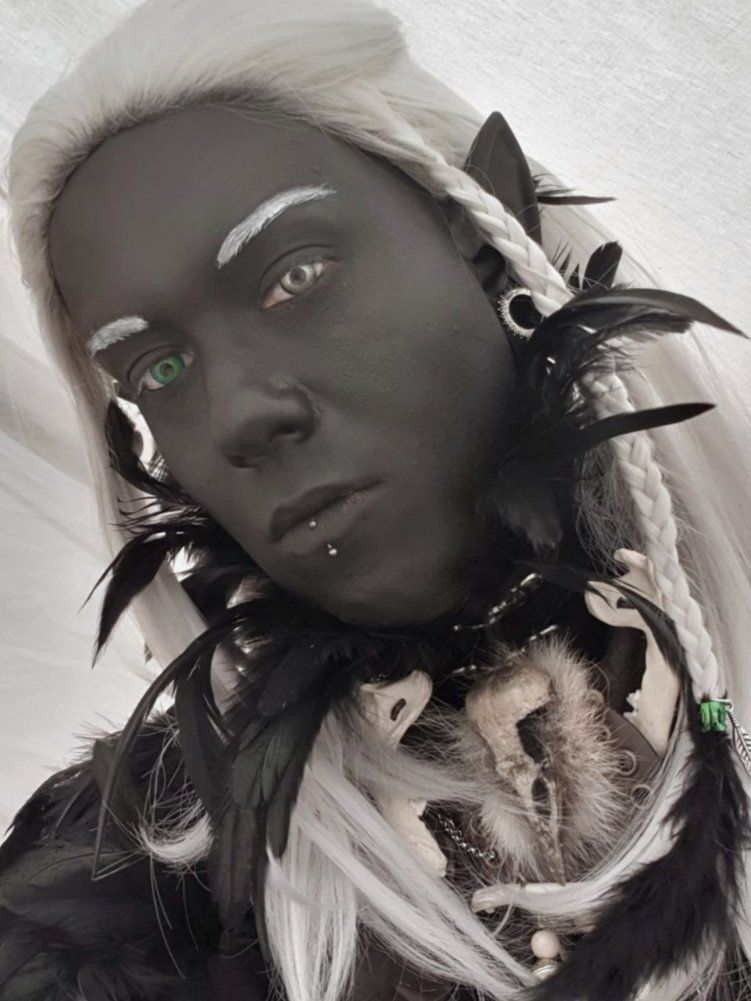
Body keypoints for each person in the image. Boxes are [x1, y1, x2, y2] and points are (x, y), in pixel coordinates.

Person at [1, 0, 750, 998]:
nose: (239, 415)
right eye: (160, 369)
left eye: (295, 275)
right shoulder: (121, 879)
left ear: (482, 232)